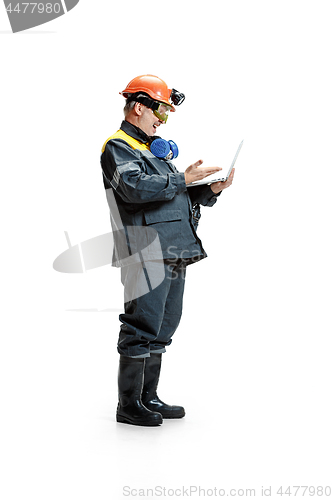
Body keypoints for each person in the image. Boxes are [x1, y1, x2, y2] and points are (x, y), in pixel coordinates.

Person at [100, 74, 234, 426]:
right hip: (145, 250)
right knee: (141, 324)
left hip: (174, 248)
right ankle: (128, 405)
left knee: (164, 325)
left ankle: (148, 397)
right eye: (161, 111)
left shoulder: (152, 150)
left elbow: (171, 194)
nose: (162, 119)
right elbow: (135, 190)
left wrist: (209, 190)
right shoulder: (118, 147)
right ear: (139, 107)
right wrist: (182, 178)